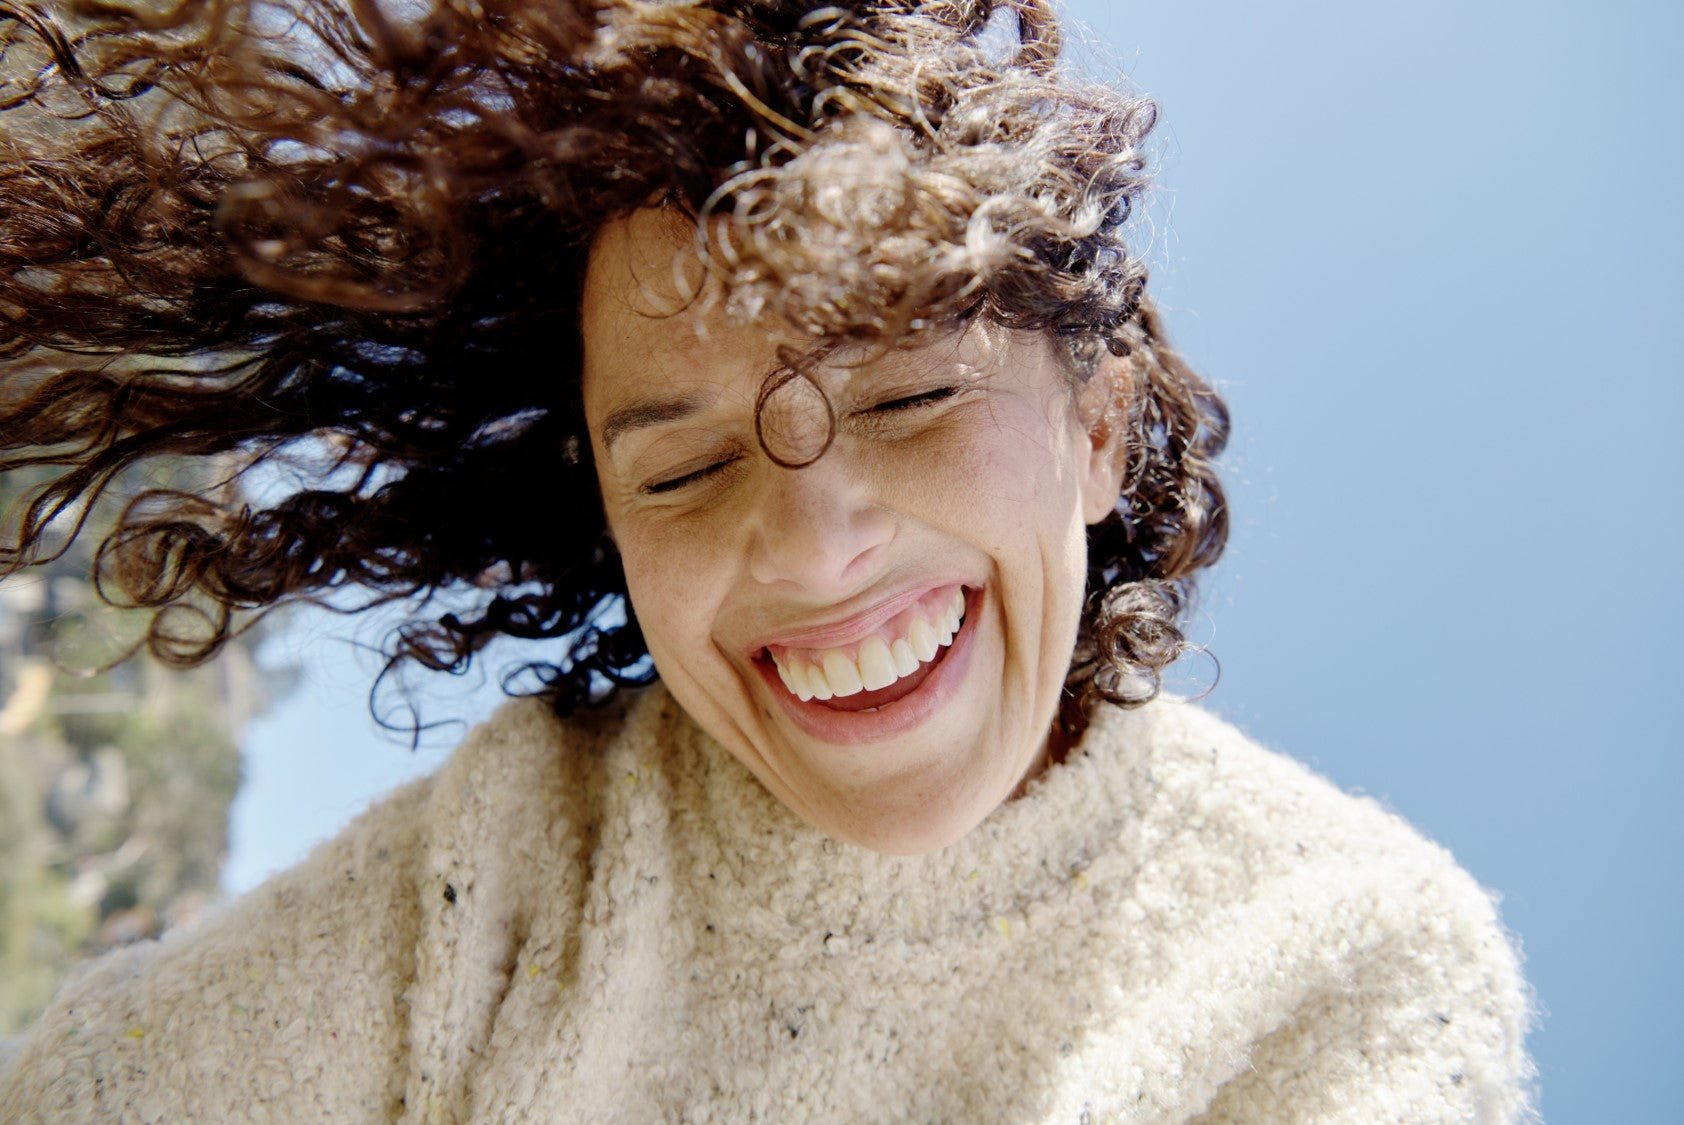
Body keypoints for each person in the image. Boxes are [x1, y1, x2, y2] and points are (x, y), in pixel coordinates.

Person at [0, 0, 1534, 1119]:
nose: (812, 543)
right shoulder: (522, 858)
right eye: (681, 467)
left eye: (911, 394)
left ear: (1099, 431)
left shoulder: (1352, 962)